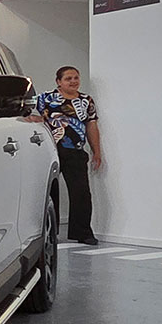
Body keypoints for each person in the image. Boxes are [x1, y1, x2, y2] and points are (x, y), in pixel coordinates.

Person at [29, 66, 103, 245]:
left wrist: (96, 151)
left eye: (76, 77)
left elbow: (91, 125)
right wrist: (37, 119)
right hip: (50, 151)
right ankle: (47, 233)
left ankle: (82, 233)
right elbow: (26, 113)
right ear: (59, 82)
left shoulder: (86, 101)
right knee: (48, 192)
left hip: (75, 152)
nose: (73, 81)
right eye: (68, 78)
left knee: (81, 193)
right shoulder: (45, 98)